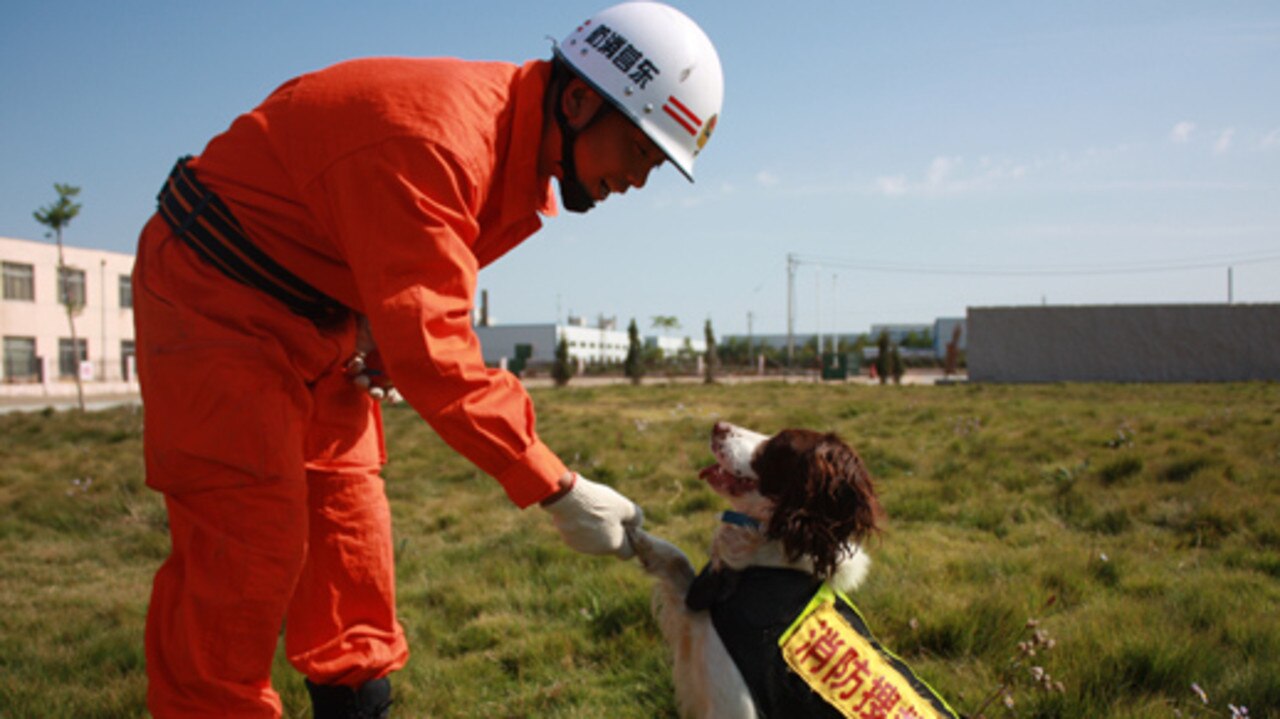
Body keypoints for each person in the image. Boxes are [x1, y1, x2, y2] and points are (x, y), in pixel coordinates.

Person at [132, 3, 724, 717]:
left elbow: (401, 292)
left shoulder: (505, 152)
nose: (638, 180)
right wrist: (557, 486)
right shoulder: (437, 139)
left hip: (319, 319)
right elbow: (437, 351)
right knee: (245, 554)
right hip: (215, 298)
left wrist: (376, 328)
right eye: (640, 152)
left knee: (351, 544)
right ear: (577, 100)